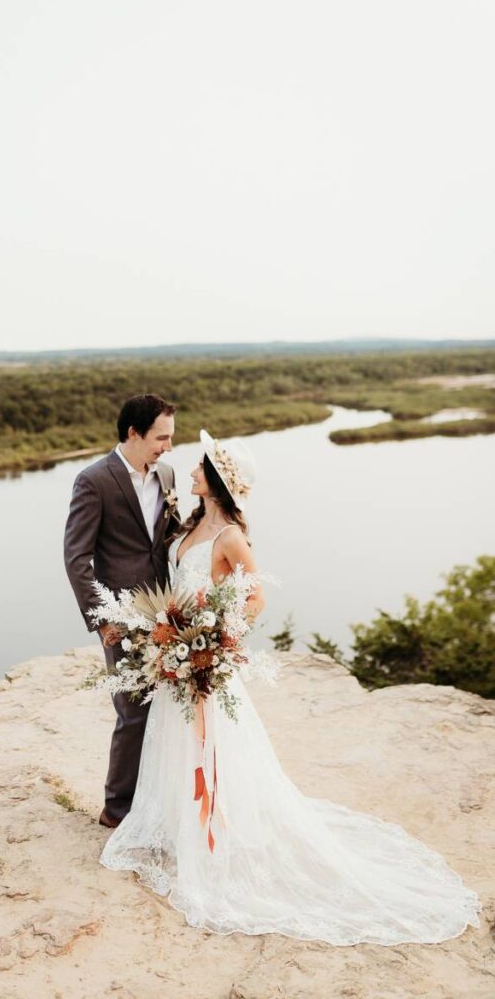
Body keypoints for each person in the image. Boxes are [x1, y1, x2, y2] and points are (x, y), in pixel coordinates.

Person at [98, 428, 483, 945]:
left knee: (211, 744)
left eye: (199, 467)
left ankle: (214, 834)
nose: (190, 471)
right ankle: (177, 824)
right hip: (176, 653)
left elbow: (255, 598)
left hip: (202, 657)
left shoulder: (231, 535)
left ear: (214, 480)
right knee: (175, 741)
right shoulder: (189, 524)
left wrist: (217, 636)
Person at [64, 394, 182, 827]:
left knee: (168, 708)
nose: (168, 447)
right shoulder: (94, 480)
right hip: (122, 616)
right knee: (133, 711)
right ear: (133, 433)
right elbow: (77, 559)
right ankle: (117, 811)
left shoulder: (167, 475)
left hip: (168, 613)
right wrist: (105, 621)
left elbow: (169, 539)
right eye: (161, 437)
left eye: (171, 437)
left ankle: (157, 801)